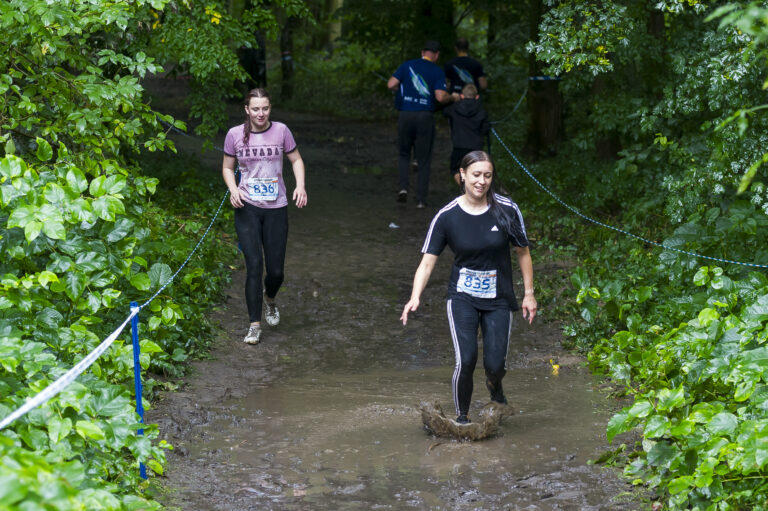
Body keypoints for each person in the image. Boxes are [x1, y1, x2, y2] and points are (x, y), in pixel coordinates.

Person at [400, 150, 536, 425]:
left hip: (499, 298)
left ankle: (495, 386)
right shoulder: (447, 216)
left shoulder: (507, 210)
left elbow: (523, 252)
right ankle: (461, 418)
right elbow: (427, 263)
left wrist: (529, 294)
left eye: (487, 175)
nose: (481, 181)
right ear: (462, 175)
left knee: (495, 365)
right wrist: (415, 296)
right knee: (467, 359)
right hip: (462, 297)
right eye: (475, 175)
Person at [222, 88, 307, 345]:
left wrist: (300, 186)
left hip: (276, 207)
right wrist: (233, 189)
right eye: (256, 109)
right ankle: (254, 325)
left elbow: (296, 160)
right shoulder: (234, 135)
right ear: (247, 110)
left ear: (270, 108)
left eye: (265, 108)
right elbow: (227, 167)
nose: (261, 113)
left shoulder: (281, 131)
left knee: (276, 272)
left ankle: (269, 298)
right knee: (254, 266)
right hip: (247, 207)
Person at [388, 40, 455, 208]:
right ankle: (420, 199)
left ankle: (403, 189)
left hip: (405, 114)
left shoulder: (407, 65)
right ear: (437, 55)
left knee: (404, 154)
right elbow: (440, 97)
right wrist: (453, 97)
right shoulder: (437, 71)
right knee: (424, 159)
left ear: (422, 52)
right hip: (425, 116)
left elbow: (391, 84)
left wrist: (401, 90)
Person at [442, 83, 490, 187]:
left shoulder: (454, 107)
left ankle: (464, 189)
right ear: (477, 97)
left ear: (462, 96)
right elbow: (485, 130)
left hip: (459, 146)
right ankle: (471, 191)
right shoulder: (482, 110)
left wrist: (453, 99)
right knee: (475, 172)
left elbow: (444, 111)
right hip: (476, 148)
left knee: (455, 169)